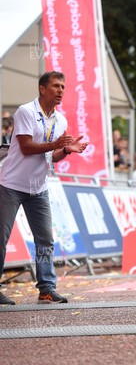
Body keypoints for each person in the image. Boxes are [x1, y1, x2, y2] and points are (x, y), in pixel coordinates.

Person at [0, 71, 88, 305]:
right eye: (56, 86)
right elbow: (27, 147)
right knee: (1, 237)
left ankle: (46, 289)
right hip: (10, 184)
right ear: (42, 88)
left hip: (38, 187)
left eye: (63, 87)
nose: (61, 90)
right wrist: (55, 144)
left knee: (45, 240)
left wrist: (67, 150)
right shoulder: (25, 111)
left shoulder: (61, 120)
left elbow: (52, 156)